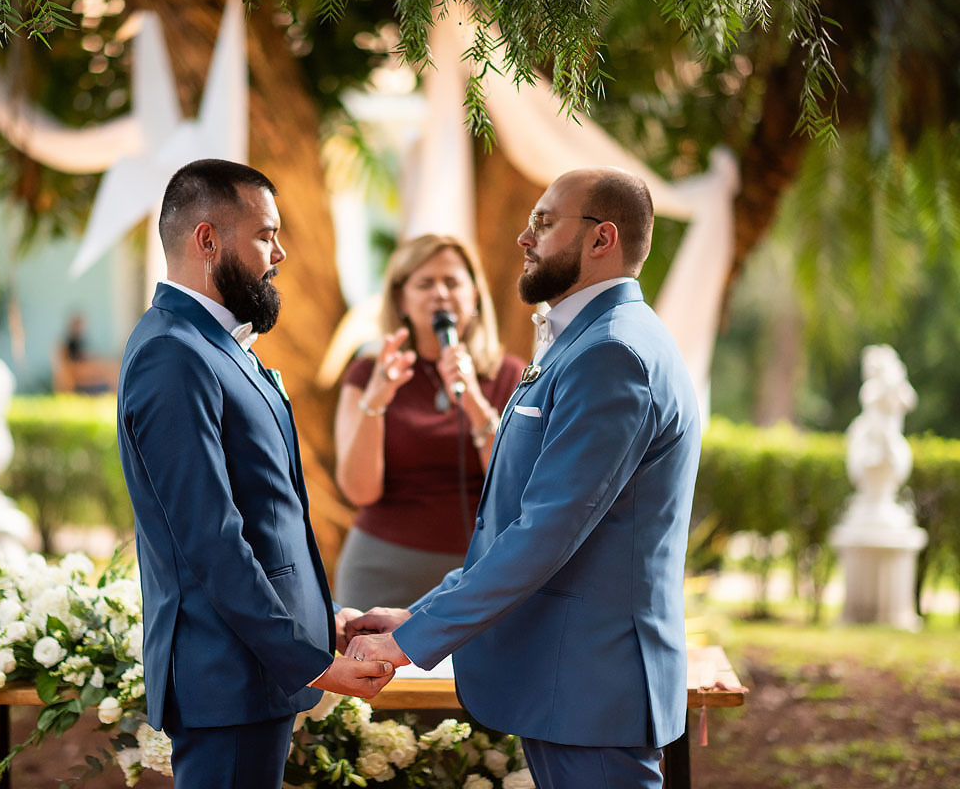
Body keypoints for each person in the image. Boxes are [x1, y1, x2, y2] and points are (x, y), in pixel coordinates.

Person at [346, 168, 703, 789]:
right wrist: (416, 615)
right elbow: (516, 519)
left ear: (602, 239)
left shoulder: (611, 354)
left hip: (591, 685)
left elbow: (546, 530)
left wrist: (416, 641)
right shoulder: (584, 341)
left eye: (544, 221)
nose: (524, 237)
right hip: (564, 680)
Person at [116, 159, 393, 789]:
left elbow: (271, 517)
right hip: (225, 677)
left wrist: (326, 618)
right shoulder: (171, 353)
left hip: (253, 675)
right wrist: (311, 664)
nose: (281, 252)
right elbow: (210, 540)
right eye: (266, 234)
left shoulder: (216, 345)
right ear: (207, 240)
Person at [333, 234, 525, 608]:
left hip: (478, 573)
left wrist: (473, 400)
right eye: (425, 283)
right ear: (401, 299)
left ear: (474, 297)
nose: (440, 293)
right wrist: (376, 402)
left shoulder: (512, 375)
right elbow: (359, 491)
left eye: (452, 282)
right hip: (380, 572)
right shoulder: (369, 372)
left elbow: (515, 488)